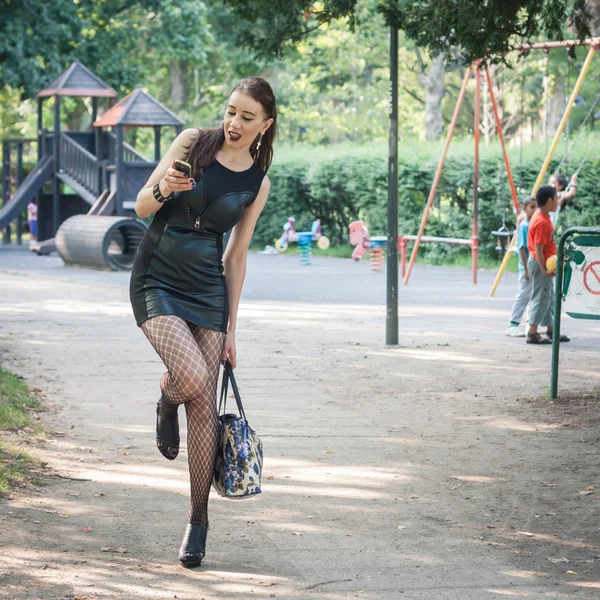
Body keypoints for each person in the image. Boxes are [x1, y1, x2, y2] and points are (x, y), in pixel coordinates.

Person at [129, 77, 276, 568]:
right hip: (157, 276)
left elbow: (237, 257)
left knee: (206, 406)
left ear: (265, 125)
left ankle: (198, 519)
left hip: (208, 290)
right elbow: (141, 206)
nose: (234, 123)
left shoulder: (258, 181)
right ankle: (164, 401)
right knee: (190, 379)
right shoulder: (192, 142)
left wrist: (233, 327)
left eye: (246, 117)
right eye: (231, 111)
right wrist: (163, 186)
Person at [526, 184, 570, 345]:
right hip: (540, 264)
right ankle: (532, 332)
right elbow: (538, 248)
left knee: (548, 297)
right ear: (550, 200)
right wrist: (543, 268)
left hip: (544, 263)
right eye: (557, 198)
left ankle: (551, 330)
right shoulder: (541, 221)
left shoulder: (543, 216)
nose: (558, 201)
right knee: (540, 298)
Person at [506, 196, 537, 337]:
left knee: (535, 296)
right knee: (524, 295)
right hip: (527, 267)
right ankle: (513, 324)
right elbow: (522, 249)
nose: (535, 210)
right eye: (532, 207)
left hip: (535, 266)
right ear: (524, 209)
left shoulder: (534, 224)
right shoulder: (524, 225)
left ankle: (533, 323)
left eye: (537, 206)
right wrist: (525, 269)